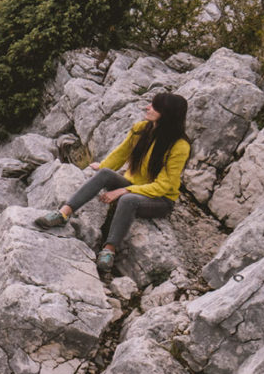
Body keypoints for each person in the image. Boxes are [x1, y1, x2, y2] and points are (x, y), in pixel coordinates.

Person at [34, 92, 191, 274]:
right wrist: (102, 167)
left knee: (128, 200)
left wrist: (124, 190)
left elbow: (164, 186)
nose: (147, 108)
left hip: (160, 199)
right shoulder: (141, 129)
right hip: (134, 187)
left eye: (154, 107)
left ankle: (109, 250)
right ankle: (63, 214)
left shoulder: (179, 146)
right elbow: (120, 154)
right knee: (106, 174)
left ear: (167, 114)